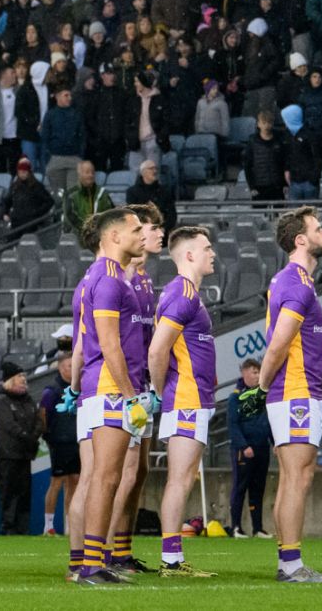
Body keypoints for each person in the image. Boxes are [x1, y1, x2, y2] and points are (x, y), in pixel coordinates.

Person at [243, 206, 322, 583]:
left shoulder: (293, 281)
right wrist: (262, 386)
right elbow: (279, 343)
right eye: (318, 228)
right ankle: (292, 565)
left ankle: (287, 561)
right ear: (301, 240)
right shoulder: (297, 282)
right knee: (298, 478)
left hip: (292, 391)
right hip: (296, 390)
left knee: (290, 477)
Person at [72, 207, 147, 585]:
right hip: (109, 387)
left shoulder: (112, 277)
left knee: (109, 476)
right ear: (114, 236)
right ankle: (90, 564)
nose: (142, 235)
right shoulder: (107, 279)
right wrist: (132, 396)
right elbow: (108, 344)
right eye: (135, 230)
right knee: (105, 477)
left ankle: (93, 561)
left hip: (107, 387)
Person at [147, 225, 217, 577]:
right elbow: (157, 349)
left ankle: (173, 557)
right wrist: (161, 393)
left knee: (184, 478)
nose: (212, 253)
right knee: (179, 479)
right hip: (186, 397)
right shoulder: (183, 294)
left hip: (191, 397)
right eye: (206, 248)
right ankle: (171, 559)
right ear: (189, 255)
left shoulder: (187, 293)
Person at [105, 203, 166, 574]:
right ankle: (106, 550)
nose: (157, 234)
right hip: (122, 385)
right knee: (122, 472)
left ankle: (122, 549)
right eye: (151, 228)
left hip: (141, 383)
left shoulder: (143, 279)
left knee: (139, 470)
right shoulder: (121, 276)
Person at [0, 361, 41, 536]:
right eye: (20, 377)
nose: (24, 381)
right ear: (11, 380)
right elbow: (8, 425)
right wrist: (27, 436)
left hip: (25, 454)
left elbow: (38, 421)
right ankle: (8, 527)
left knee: (24, 493)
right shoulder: (2, 400)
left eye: (24, 378)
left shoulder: (28, 400)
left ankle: (23, 527)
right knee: (8, 492)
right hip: (8, 454)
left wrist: (33, 435)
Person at [227, 359, 271, 538]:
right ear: (244, 373)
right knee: (240, 487)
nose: (257, 376)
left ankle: (258, 527)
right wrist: (244, 445)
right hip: (243, 450)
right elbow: (233, 424)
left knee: (258, 488)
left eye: (258, 372)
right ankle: (236, 526)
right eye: (254, 372)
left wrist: (274, 443)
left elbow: (268, 422)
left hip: (262, 447)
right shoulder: (235, 397)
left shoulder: (261, 395)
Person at [38, 352, 78, 537]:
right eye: (69, 366)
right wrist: (49, 435)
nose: (73, 369)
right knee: (57, 482)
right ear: (61, 368)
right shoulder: (51, 390)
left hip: (76, 441)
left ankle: (71, 525)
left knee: (75, 482)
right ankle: (48, 525)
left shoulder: (79, 388)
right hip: (59, 442)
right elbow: (43, 413)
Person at [41, 87, 85, 195]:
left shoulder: (76, 114)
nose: (69, 98)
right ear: (57, 96)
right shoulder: (50, 115)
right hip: (56, 158)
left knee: (74, 195)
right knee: (58, 196)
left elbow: (82, 136)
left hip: (74, 157)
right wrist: (48, 158)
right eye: (66, 95)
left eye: (70, 95)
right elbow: (45, 138)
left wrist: (80, 155)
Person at [0, 157, 55, 239]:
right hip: (16, 221)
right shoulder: (15, 186)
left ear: (28, 172)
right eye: (20, 172)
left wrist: (37, 213)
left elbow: (49, 201)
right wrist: (5, 213)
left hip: (31, 222)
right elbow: (7, 201)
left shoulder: (37, 186)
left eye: (24, 172)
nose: (22, 174)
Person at [124, 159, 177, 233]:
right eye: (151, 168)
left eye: (156, 168)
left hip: (162, 234)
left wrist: (163, 228)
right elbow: (132, 214)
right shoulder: (132, 192)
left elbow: (172, 215)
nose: (155, 171)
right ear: (143, 172)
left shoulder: (165, 191)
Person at [61, 159, 114, 233]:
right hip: (77, 235)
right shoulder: (71, 194)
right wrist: (86, 229)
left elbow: (111, 213)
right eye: (87, 172)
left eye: (92, 172)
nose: (90, 175)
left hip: (99, 234)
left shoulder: (103, 193)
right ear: (79, 175)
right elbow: (69, 216)